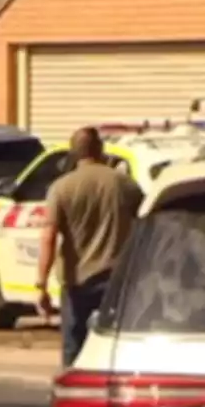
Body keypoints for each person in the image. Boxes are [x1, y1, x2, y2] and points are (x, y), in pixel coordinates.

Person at [35, 126, 143, 366]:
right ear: (101, 149)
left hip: (78, 282)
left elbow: (48, 237)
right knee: (116, 344)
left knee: (74, 346)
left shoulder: (61, 188)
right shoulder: (125, 185)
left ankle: (73, 391)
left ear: (73, 153)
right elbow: (145, 225)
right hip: (118, 278)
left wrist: (40, 285)